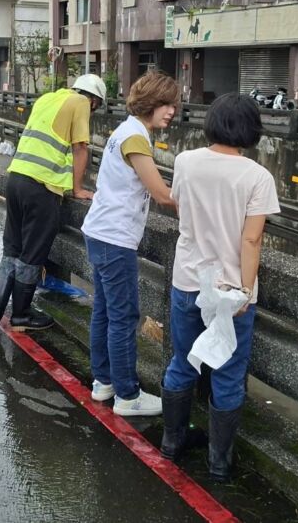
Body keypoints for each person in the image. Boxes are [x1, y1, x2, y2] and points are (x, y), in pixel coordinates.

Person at [160, 93, 280, 482]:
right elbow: (251, 241)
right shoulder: (257, 177)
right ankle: (219, 463)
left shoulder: (185, 162)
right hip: (231, 293)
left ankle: (171, 443)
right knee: (228, 373)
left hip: (188, 280)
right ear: (251, 130)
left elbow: (180, 206)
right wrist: (245, 292)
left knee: (183, 361)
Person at [81, 70, 179, 417]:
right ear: (150, 102)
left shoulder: (125, 130)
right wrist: (204, 207)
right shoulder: (136, 137)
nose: (171, 111)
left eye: (173, 105)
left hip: (99, 230)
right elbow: (161, 193)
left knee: (105, 313)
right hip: (114, 237)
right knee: (124, 317)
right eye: (166, 104)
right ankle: (127, 396)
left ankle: (104, 383)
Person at [0, 73, 107, 334]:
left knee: (12, 250)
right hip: (41, 186)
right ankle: (21, 316)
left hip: (16, 179)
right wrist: (77, 189)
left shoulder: (47, 98)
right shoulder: (80, 103)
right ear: (93, 100)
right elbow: (80, 147)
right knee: (32, 254)